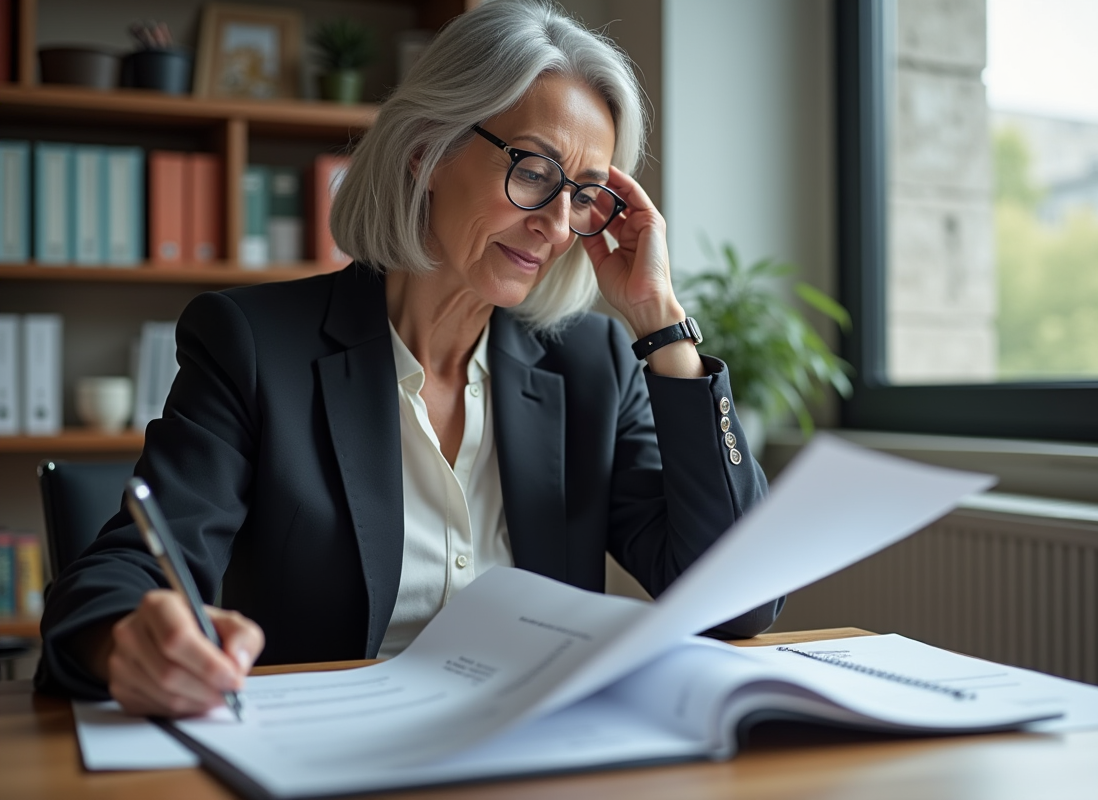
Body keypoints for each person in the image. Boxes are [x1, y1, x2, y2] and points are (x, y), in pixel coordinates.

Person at [35, 0, 779, 717]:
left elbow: (735, 601)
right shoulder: (256, 346)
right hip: (330, 760)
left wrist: (661, 324)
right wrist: (127, 641)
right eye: (533, 170)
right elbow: (127, 569)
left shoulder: (593, 363)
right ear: (428, 150)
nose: (556, 225)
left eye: (585, 194)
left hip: (536, 753)